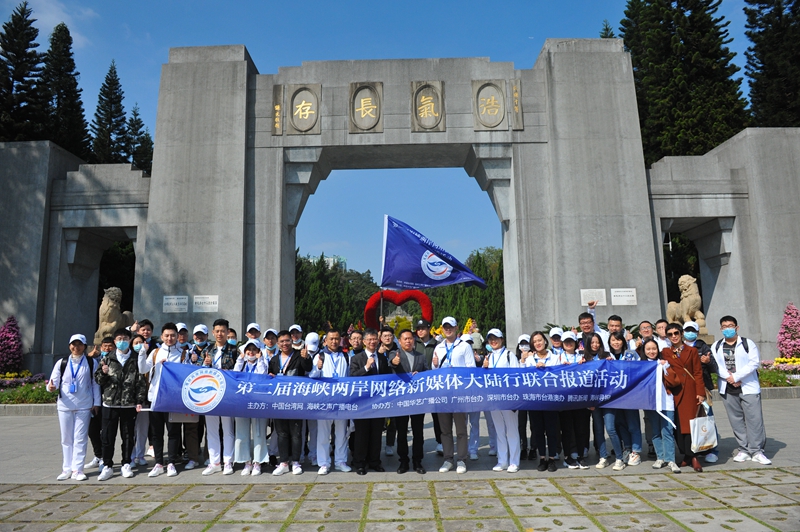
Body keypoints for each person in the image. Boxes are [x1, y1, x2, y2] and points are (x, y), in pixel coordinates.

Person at [711, 315, 771, 465]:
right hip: (728, 388)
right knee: (736, 420)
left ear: (737, 328)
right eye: (724, 327)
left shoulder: (747, 343)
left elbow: (754, 363)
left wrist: (737, 377)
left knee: (754, 420)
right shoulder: (717, 346)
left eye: (730, 326)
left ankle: (756, 451)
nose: (727, 329)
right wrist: (729, 378)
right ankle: (744, 449)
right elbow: (715, 365)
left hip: (748, 387)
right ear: (721, 329)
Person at [95, 328, 147, 480]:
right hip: (110, 404)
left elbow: (140, 382)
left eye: (125, 338)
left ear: (130, 340)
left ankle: (126, 463)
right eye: (119, 339)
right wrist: (103, 373)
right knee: (107, 436)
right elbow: (98, 379)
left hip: (128, 404)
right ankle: (107, 465)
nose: (122, 341)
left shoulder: (136, 359)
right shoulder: (107, 358)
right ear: (115, 341)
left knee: (128, 436)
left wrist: (139, 401)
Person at [47, 334, 101, 481]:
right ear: (69, 345)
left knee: (80, 438)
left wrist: (97, 403)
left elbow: (96, 384)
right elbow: (53, 382)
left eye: (79, 345)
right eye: (73, 344)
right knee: (66, 438)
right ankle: (66, 469)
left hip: (84, 405)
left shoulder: (91, 363)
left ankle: (78, 469)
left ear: (84, 346)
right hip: (65, 405)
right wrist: (51, 387)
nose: (76, 347)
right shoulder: (62, 363)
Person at [138, 322, 186, 477]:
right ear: (161, 336)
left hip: (173, 398)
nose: (170, 338)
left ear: (177, 336)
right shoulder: (155, 352)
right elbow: (142, 369)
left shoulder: (183, 353)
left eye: (173, 335)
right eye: (167, 335)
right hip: (156, 397)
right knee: (156, 432)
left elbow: (186, 374)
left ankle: (171, 462)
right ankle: (159, 463)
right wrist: (142, 353)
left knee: (173, 431)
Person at [432, 317, 476, 474]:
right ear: (442, 329)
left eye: (450, 326)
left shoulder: (464, 346)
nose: (448, 329)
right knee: (445, 430)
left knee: (461, 429)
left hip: (459, 393)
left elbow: (471, 368)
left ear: (457, 328)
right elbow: (434, 373)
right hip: (443, 394)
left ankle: (462, 460)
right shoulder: (438, 348)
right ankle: (448, 459)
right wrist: (436, 365)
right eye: (445, 327)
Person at [661, 323, 705, 472]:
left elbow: (698, 372)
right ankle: (685, 455)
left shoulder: (692, 351)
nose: (673, 336)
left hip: (690, 391)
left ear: (681, 334)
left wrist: (700, 392)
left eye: (676, 333)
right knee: (678, 427)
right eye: (670, 334)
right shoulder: (666, 352)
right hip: (674, 391)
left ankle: (694, 456)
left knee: (691, 425)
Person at [268, 330, 312, 475]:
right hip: (279, 401)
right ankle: (284, 462)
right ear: (278, 343)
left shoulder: (299, 356)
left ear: (291, 341)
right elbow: (270, 377)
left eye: (287, 341)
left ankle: (296, 462)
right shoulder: (274, 360)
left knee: (296, 433)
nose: (284, 344)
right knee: (281, 433)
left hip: (295, 401)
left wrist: (307, 359)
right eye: (281, 341)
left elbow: (308, 368)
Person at [349, 328, 391, 475]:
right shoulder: (356, 358)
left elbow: (387, 379)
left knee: (376, 433)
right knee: (361, 434)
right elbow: (353, 377)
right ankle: (360, 463)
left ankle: (374, 461)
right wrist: (366, 367)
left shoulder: (382, 358)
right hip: (362, 403)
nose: (372, 342)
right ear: (364, 342)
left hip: (378, 402)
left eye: (375, 339)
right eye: (369, 339)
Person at [199, 319, 238, 476]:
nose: (220, 333)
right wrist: (205, 364)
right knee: (212, 429)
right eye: (217, 331)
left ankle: (228, 461)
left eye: (223, 331)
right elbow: (198, 374)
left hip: (227, 395)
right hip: (210, 395)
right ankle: (215, 462)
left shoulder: (235, 350)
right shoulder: (207, 351)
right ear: (213, 333)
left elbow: (238, 371)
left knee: (228, 429)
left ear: (227, 332)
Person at [309, 329, 351, 475]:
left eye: (336, 339)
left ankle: (340, 461)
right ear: (325, 341)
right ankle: (324, 463)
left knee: (341, 433)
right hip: (324, 400)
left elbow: (350, 376)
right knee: (323, 434)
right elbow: (312, 377)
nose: (334, 341)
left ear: (340, 340)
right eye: (331, 339)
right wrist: (318, 368)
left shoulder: (346, 356)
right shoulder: (319, 356)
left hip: (341, 400)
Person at [389, 328, 429, 474]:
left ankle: (417, 461)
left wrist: (421, 374)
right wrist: (394, 362)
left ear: (414, 340)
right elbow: (391, 363)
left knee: (418, 432)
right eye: (405, 339)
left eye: (410, 338)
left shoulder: (420, 356)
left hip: (417, 400)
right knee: (402, 432)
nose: (408, 341)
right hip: (401, 400)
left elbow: (427, 373)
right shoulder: (395, 353)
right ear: (399, 341)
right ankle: (403, 461)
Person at [482, 329, 521, 473]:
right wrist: (484, 367)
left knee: (511, 429)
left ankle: (514, 461)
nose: (493, 341)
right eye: (490, 339)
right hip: (493, 399)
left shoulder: (509, 355)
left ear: (502, 339)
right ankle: (502, 460)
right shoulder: (489, 356)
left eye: (496, 338)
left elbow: (516, 376)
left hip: (508, 398)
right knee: (499, 430)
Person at [641, 338, 681, 473]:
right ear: (644, 351)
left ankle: (671, 459)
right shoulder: (642, 366)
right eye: (648, 349)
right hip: (651, 403)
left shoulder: (664, 363)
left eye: (654, 349)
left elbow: (674, 382)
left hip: (666, 401)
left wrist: (666, 368)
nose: (651, 352)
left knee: (667, 430)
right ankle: (660, 457)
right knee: (655, 431)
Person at [606, 330, 643, 468]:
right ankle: (627, 447)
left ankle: (636, 450)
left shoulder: (631, 354)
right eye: (613, 340)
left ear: (623, 341)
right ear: (609, 343)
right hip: (614, 397)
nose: (616, 343)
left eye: (618, 340)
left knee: (633, 423)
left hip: (630, 395)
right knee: (620, 423)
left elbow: (641, 370)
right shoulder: (606, 356)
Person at [525, 331, 561, 472]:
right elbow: (525, 377)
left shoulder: (554, 357)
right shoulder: (529, 360)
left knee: (552, 430)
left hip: (550, 399)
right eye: (535, 342)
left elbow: (559, 375)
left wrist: (547, 369)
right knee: (538, 430)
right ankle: (542, 458)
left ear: (545, 341)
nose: (538, 343)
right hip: (534, 400)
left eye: (540, 340)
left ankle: (552, 458)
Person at [558, 331, 590, 469]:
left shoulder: (582, 357)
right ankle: (568, 456)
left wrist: (583, 365)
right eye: (566, 342)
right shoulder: (557, 358)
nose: (569, 344)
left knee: (581, 427)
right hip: (564, 400)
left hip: (580, 398)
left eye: (571, 341)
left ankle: (581, 456)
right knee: (567, 429)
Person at [84, 337, 114, 471]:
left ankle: (105, 458)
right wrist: (88, 356)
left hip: (109, 401)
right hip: (93, 401)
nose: (107, 348)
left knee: (105, 432)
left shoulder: (116, 360)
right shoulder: (94, 361)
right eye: (105, 346)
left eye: (110, 346)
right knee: (92, 430)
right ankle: (98, 456)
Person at [414, 319, 443, 456]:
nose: (420, 331)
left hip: (433, 385)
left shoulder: (437, 345)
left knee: (437, 416)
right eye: (418, 328)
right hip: (418, 387)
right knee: (418, 417)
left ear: (429, 329)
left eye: (423, 328)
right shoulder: (413, 344)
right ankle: (419, 443)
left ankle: (440, 442)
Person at [130, 334, 151, 468]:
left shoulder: (150, 357)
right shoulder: (129, 359)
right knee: (131, 430)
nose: (138, 345)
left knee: (143, 428)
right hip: (130, 399)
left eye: (140, 342)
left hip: (145, 399)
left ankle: (140, 455)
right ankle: (131, 457)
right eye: (135, 343)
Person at [377, 326, 398, 457]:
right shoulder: (376, 350)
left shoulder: (398, 349)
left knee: (393, 419)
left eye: (390, 335)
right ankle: (377, 444)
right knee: (379, 419)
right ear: (381, 338)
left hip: (395, 388)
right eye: (385, 336)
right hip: (380, 389)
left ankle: (390, 444)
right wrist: (380, 355)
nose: (387, 338)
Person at [516, 334, 535, 461]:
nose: (524, 346)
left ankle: (534, 448)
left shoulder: (535, 356)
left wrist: (530, 359)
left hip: (534, 395)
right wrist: (522, 360)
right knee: (521, 423)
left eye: (527, 343)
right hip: (521, 396)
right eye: (522, 343)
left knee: (534, 423)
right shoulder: (514, 358)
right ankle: (523, 447)